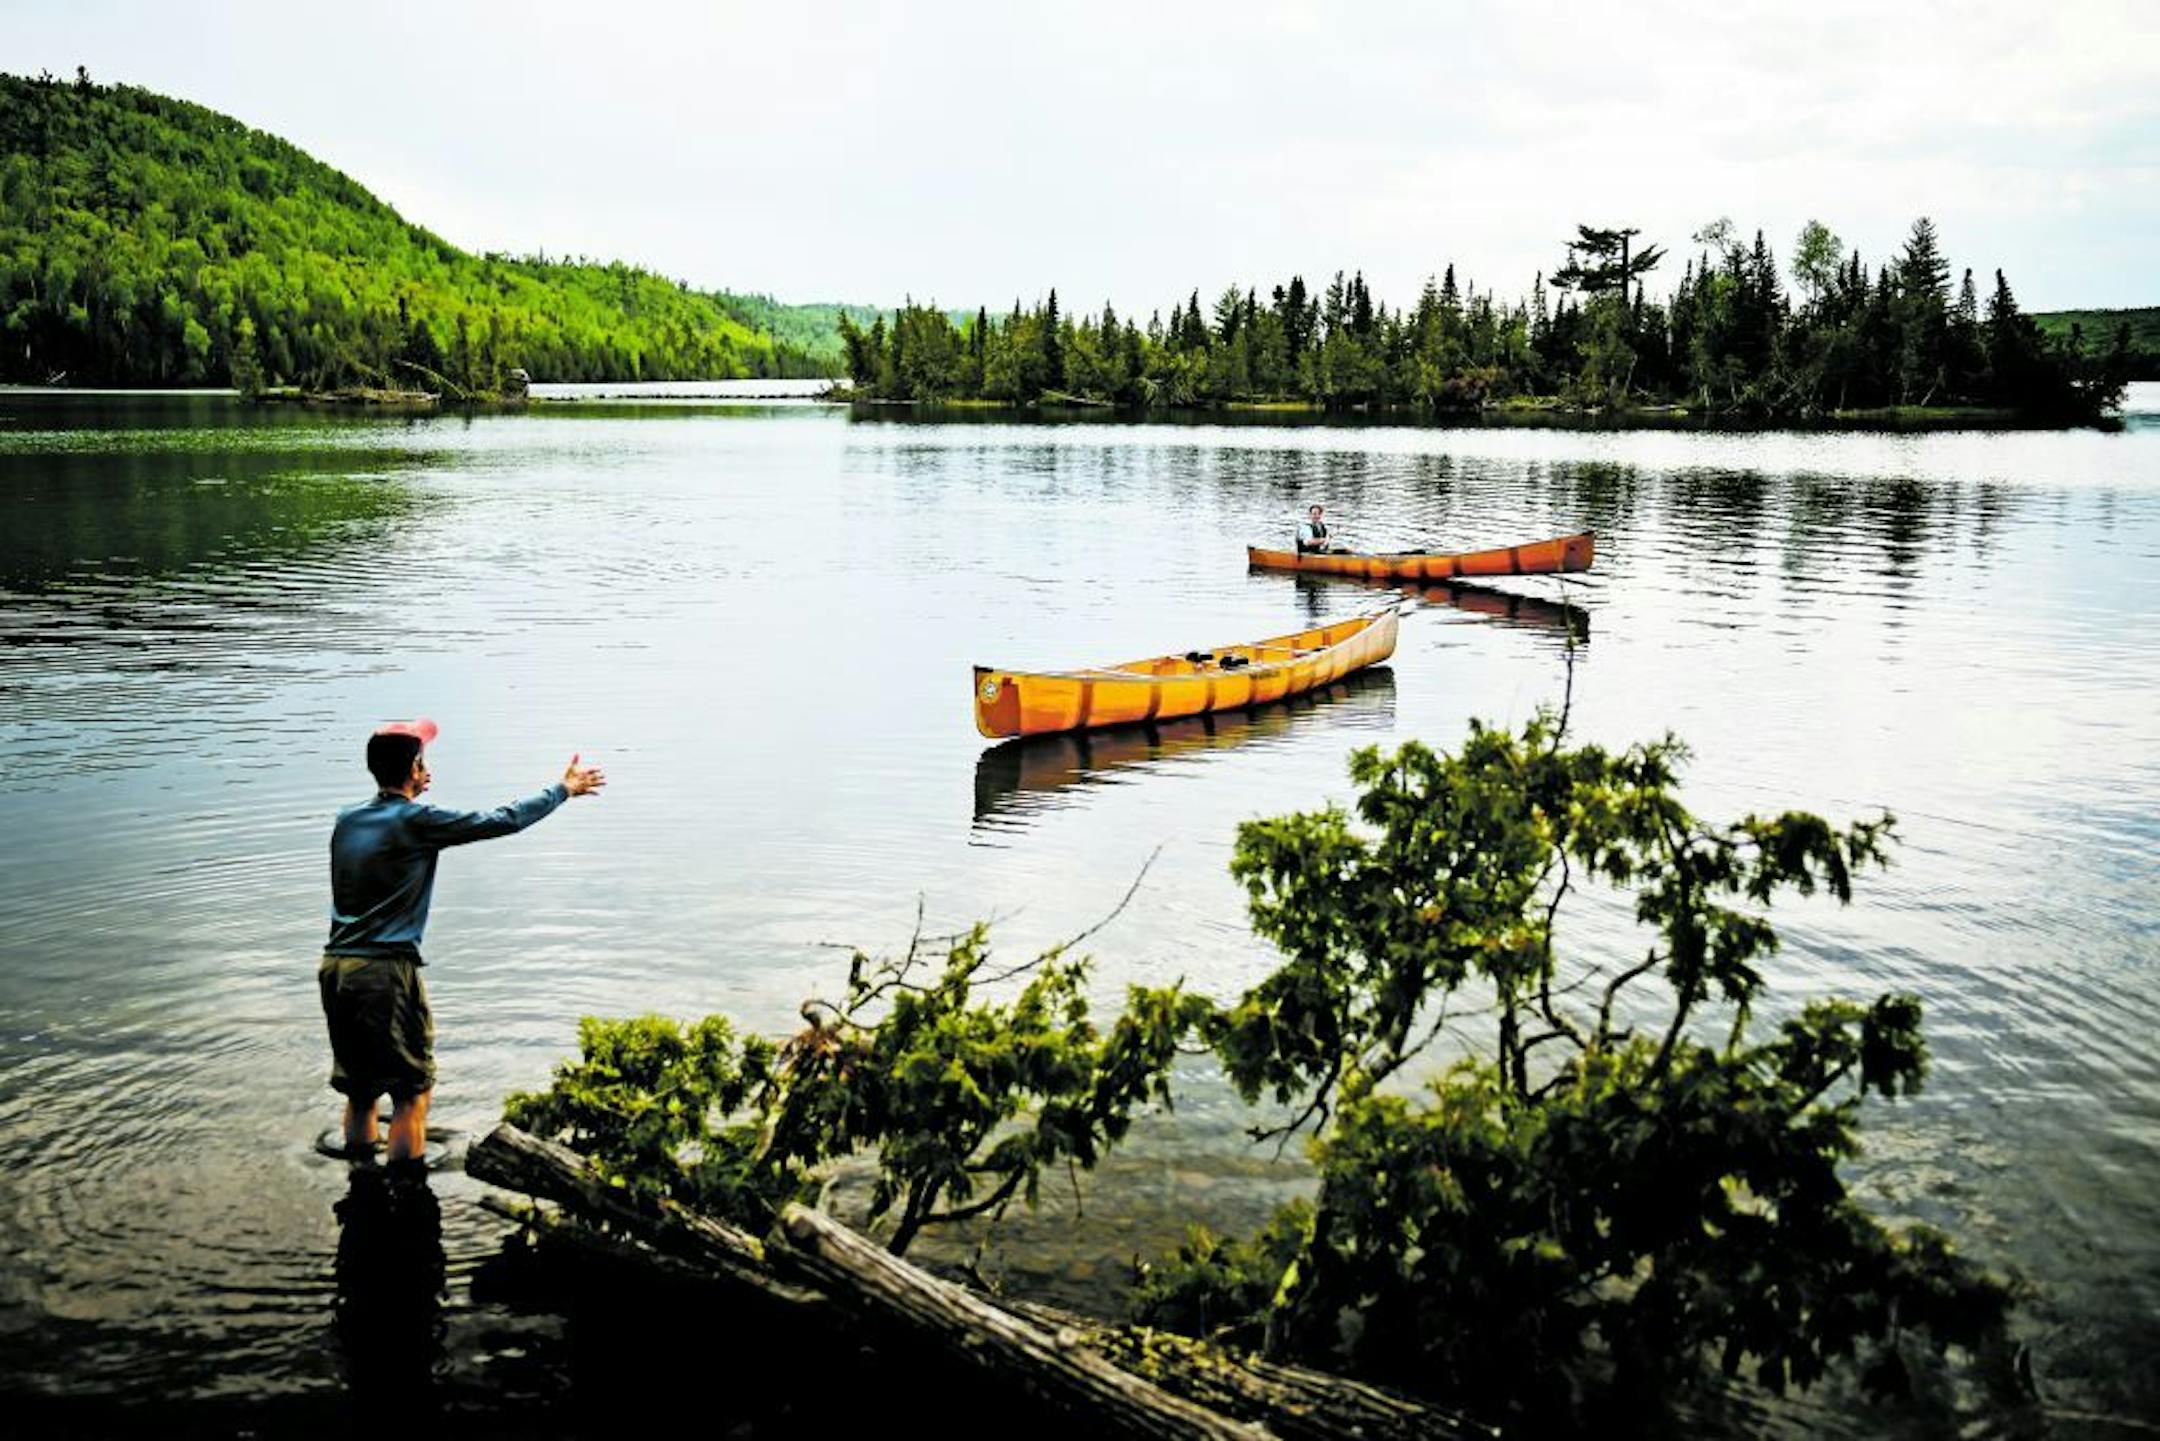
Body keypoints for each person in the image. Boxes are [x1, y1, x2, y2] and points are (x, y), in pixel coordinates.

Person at [321, 718, 605, 1163]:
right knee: (412, 1094)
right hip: (385, 973)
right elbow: (503, 820)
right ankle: (405, 1196)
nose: (427, 768)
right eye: (422, 762)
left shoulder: (347, 819)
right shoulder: (417, 821)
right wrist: (562, 790)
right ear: (414, 769)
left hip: (336, 968)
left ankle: (361, 1188)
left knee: (360, 1093)